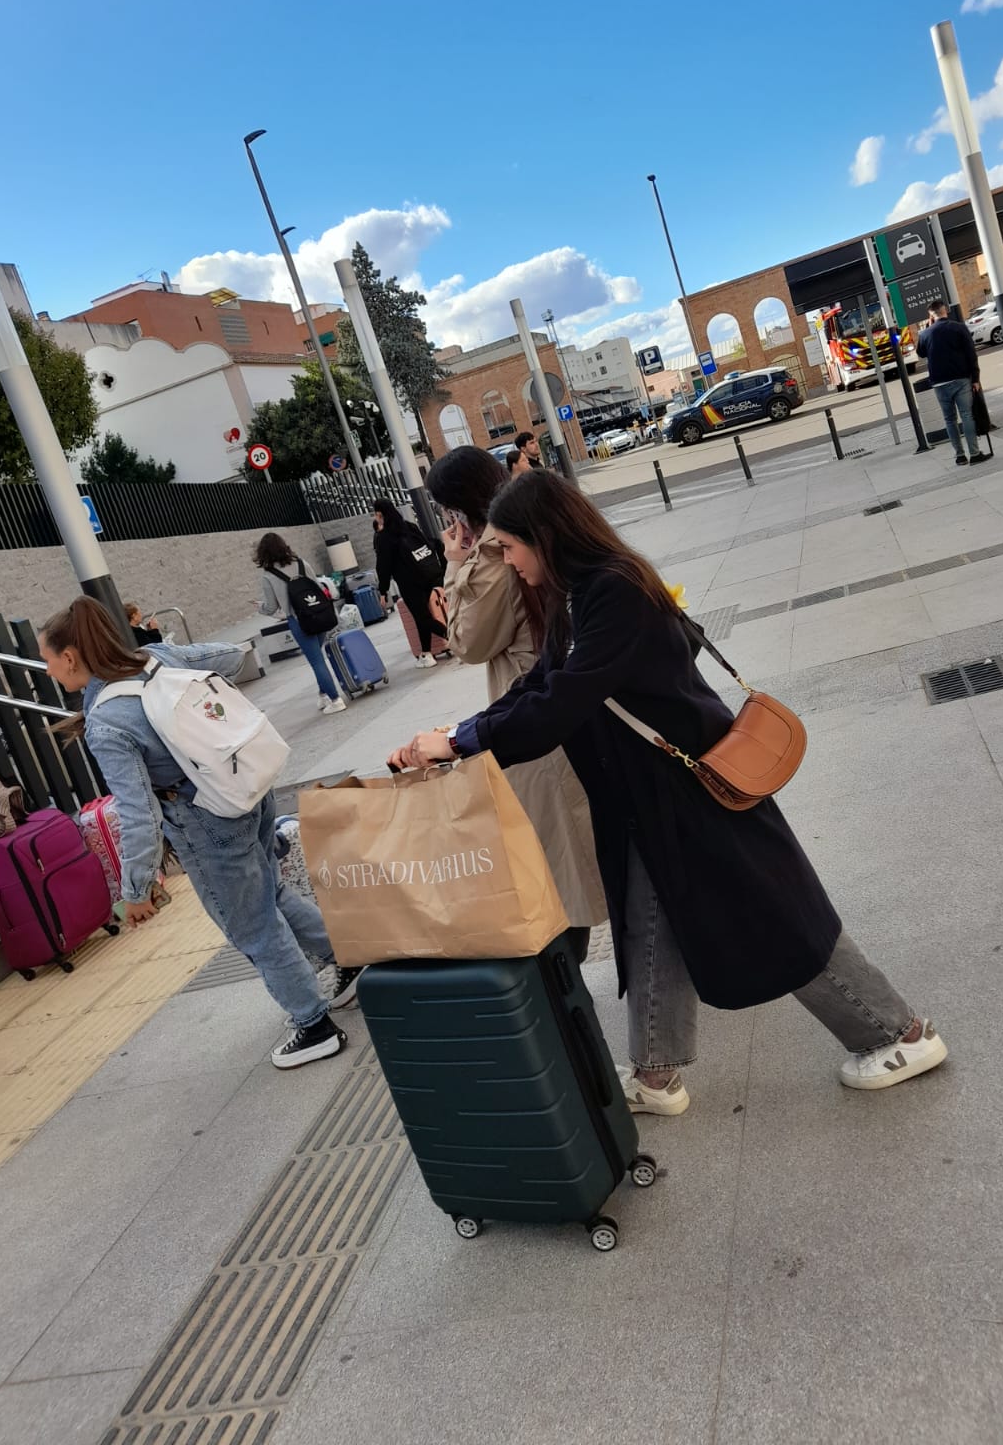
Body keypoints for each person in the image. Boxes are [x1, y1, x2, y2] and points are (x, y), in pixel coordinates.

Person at [390, 473, 947, 1117]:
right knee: (648, 925)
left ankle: (899, 1032)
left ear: (544, 538)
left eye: (510, 547)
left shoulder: (614, 591)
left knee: (776, 915)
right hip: (643, 798)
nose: (508, 561)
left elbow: (562, 702)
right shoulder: (580, 593)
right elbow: (540, 683)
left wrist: (460, 745)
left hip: (689, 794)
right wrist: (457, 733)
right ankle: (656, 1078)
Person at [39, 598, 360, 1069]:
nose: (47, 671)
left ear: (70, 657)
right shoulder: (158, 659)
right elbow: (232, 656)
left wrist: (136, 889)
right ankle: (348, 957)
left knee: (253, 926)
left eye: (47, 660)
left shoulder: (107, 723)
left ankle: (314, 1025)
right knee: (268, 893)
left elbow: (139, 813)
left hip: (205, 820)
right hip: (248, 788)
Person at [425, 447, 607, 961]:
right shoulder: (526, 530)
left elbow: (468, 643)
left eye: (447, 510)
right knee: (573, 852)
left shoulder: (490, 556)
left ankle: (564, 988)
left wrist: (454, 564)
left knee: (560, 862)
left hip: (536, 715)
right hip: (546, 700)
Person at [254, 533, 347, 715]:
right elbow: (319, 588)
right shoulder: (302, 563)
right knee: (318, 657)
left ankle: (335, 700)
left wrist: (260, 608)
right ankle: (323, 694)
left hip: (298, 621)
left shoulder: (268, 576)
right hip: (319, 615)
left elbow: (272, 606)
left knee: (317, 661)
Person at [372, 499, 446, 669]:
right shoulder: (409, 526)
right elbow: (429, 544)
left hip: (409, 584)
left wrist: (382, 591)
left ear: (380, 514)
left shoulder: (385, 537)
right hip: (427, 576)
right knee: (422, 617)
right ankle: (427, 654)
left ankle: (456, 638)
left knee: (423, 618)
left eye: (376, 514)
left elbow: (383, 567)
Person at [916, 300, 984, 465]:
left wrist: (927, 328)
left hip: (939, 382)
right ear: (945, 310)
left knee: (949, 419)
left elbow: (921, 352)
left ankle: (959, 455)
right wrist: (975, 378)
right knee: (967, 415)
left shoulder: (925, 334)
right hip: (961, 378)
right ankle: (974, 453)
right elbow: (971, 354)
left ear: (930, 316)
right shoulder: (958, 328)